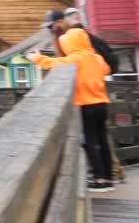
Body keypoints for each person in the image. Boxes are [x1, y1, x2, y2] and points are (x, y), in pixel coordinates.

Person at [29, 28, 114, 192]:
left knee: (91, 141)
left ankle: (99, 179)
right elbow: (107, 70)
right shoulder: (97, 58)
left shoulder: (75, 59)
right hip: (102, 104)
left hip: (85, 105)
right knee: (102, 141)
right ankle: (109, 177)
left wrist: (37, 58)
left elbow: (55, 64)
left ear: (69, 44)